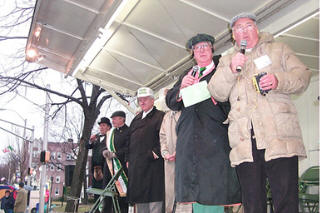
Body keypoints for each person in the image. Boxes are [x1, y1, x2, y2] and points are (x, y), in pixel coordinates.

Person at [207, 12, 311, 213]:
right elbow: (217, 92)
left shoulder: (279, 49)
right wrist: (231, 69)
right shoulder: (227, 60)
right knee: (253, 203)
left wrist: (278, 80)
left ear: (256, 28)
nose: (243, 31)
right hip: (245, 141)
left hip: (279, 136)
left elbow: (303, 76)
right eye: (237, 28)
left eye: (247, 26)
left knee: (286, 200)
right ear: (233, 36)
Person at [166, 33, 241, 212]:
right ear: (192, 53)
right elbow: (171, 101)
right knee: (194, 190)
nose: (202, 50)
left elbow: (234, 98)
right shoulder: (187, 73)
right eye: (197, 48)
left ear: (212, 49)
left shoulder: (221, 69)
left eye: (205, 46)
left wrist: (216, 99)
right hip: (189, 139)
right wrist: (182, 88)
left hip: (213, 138)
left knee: (214, 189)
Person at [127, 87, 165, 213]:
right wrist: (127, 159)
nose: (142, 102)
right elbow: (129, 141)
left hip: (153, 169)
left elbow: (165, 138)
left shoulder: (160, 116)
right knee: (140, 204)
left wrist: (155, 153)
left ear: (153, 101)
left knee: (155, 204)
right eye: (140, 100)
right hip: (137, 170)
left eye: (145, 99)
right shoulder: (136, 119)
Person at [102, 110, 129, 213]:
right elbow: (105, 146)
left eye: (115, 118)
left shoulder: (128, 131)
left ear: (122, 119)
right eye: (112, 119)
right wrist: (104, 151)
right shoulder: (111, 133)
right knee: (107, 195)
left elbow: (128, 148)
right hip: (109, 167)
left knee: (122, 196)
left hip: (121, 168)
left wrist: (116, 154)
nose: (112, 121)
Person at [159, 88, 181, 213]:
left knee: (182, 195)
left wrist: (179, 152)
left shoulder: (183, 113)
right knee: (170, 195)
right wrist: (165, 153)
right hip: (169, 161)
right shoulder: (166, 117)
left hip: (182, 159)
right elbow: (162, 137)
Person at [86, 117, 112, 202]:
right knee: (96, 190)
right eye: (100, 125)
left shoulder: (111, 136)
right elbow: (87, 146)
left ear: (108, 127)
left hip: (106, 168)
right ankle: (96, 209)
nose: (101, 127)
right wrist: (90, 141)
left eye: (103, 125)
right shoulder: (96, 137)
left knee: (105, 190)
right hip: (95, 168)